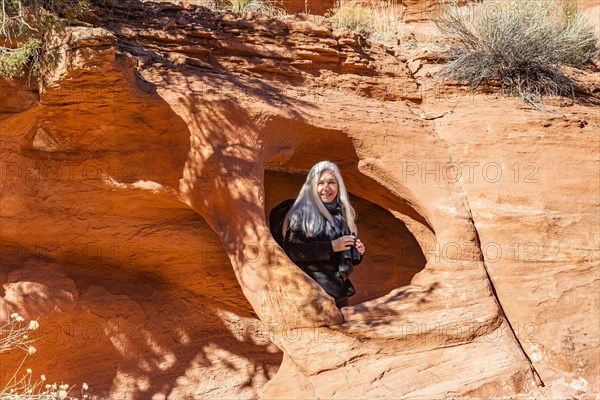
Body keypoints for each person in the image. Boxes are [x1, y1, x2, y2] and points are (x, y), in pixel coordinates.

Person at [282, 161, 366, 308]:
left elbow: (342, 258)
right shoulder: (302, 213)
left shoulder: (341, 214)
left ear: (338, 186)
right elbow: (293, 250)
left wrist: (358, 252)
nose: (326, 188)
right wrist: (332, 246)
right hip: (311, 292)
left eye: (331, 182)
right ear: (312, 186)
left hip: (338, 290)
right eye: (320, 183)